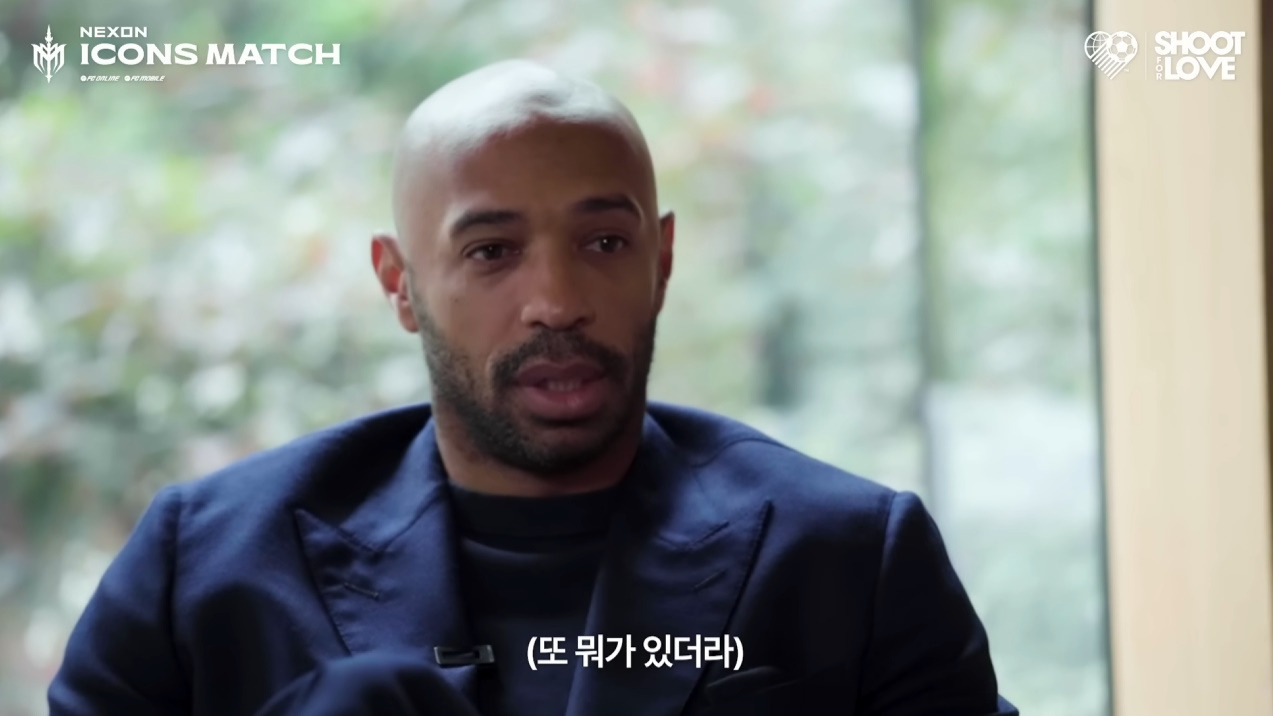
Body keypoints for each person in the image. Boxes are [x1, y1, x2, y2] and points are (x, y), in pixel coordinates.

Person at [49, 60, 1018, 716]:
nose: (556, 301)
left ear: (661, 261)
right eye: (490, 251)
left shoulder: (851, 557)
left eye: (603, 242)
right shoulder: (200, 567)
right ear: (399, 283)